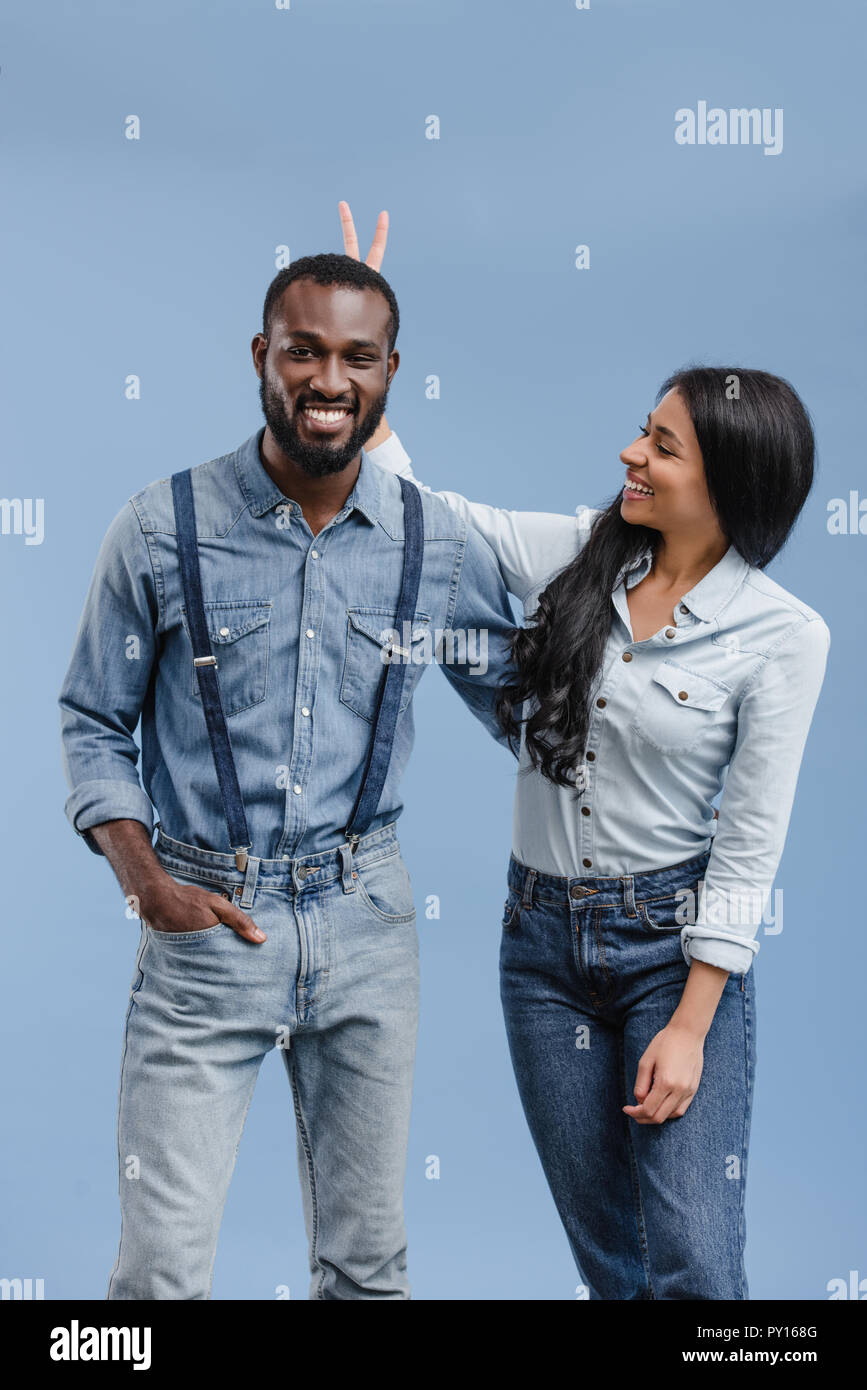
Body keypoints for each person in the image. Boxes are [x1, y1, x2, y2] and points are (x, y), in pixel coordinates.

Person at [348, 209, 831, 1300]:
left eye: (663, 444)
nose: (632, 451)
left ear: (730, 484)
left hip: (670, 952)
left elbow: (749, 847)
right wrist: (368, 354)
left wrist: (694, 1023)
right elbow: (438, 522)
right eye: (642, 428)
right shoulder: (584, 552)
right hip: (541, 951)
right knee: (613, 1264)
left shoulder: (786, 636)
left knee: (696, 1265)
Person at [58, 251, 515, 1301]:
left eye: (358, 356)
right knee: (160, 1275)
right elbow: (91, 718)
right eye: (304, 349)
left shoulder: (429, 543)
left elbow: (531, 713)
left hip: (367, 921)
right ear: (263, 356)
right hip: (205, 919)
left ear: (391, 374)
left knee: (369, 1270)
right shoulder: (163, 527)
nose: (328, 378)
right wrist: (148, 887)